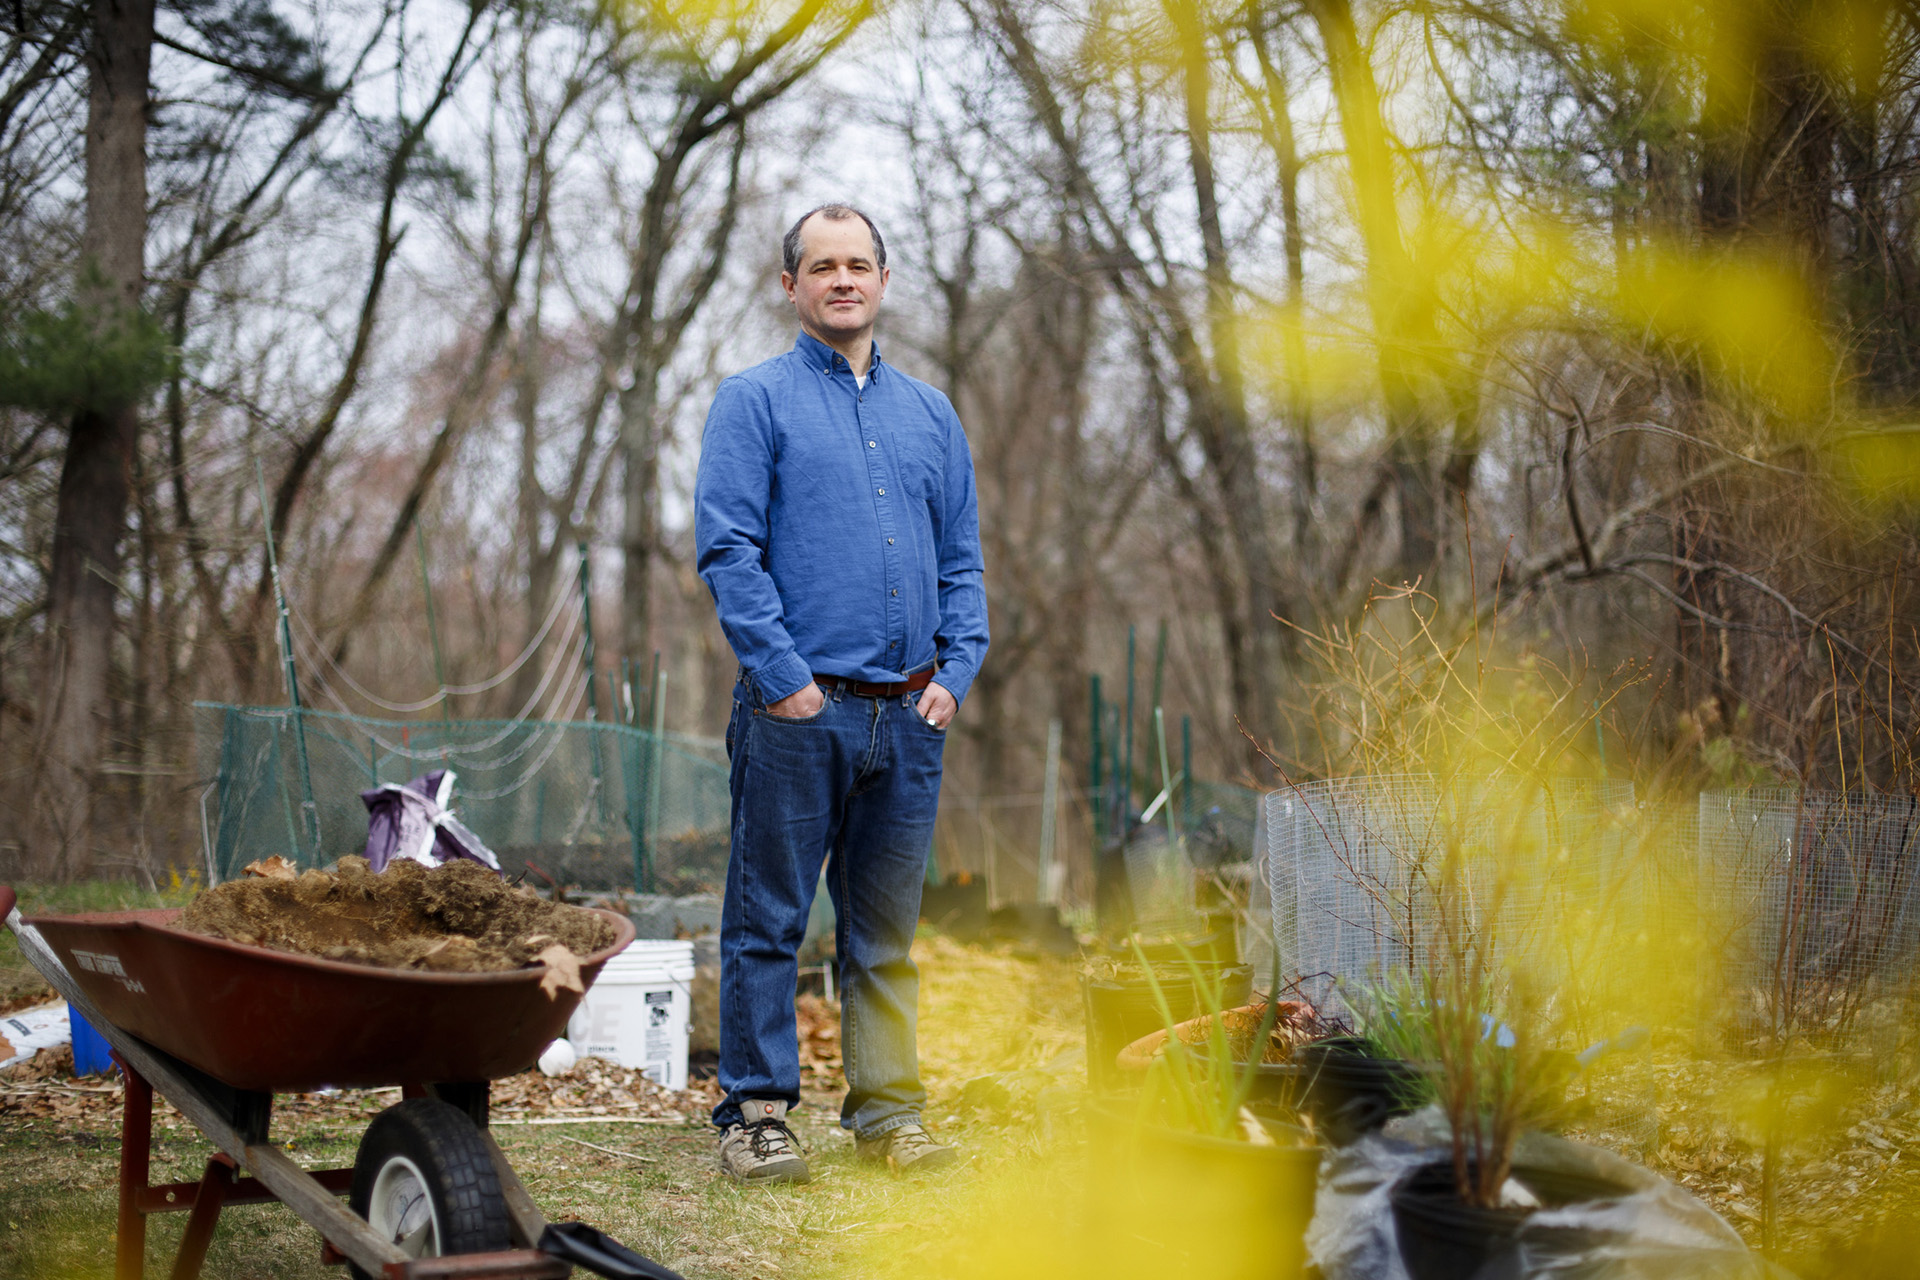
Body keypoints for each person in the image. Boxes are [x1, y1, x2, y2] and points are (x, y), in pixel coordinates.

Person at [693, 204, 990, 1184]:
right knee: (769, 918)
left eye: (858, 262)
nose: (842, 278)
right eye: (822, 265)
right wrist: (781, 681)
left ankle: (889, 1115)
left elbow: (961, 559)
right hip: (797, 711)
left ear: (884, 278)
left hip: (909, 717)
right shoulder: (755, 401)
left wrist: (955, 672)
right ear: (792, 285)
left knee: (885, 934)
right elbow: (729, 550)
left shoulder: (931, 413)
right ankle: (758, 1112)